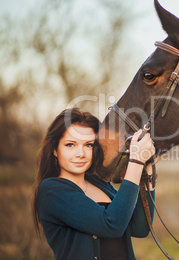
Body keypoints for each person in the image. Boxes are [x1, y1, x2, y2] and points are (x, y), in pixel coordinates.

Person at [32, 108, 156, 260]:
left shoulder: (99, 182)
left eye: (89, 145)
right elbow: (112, 225)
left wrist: (147, 172)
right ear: (54, 150)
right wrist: (136, 162)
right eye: (70, 145)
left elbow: (140, 228)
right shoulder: (51, 190)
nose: (80, 154)